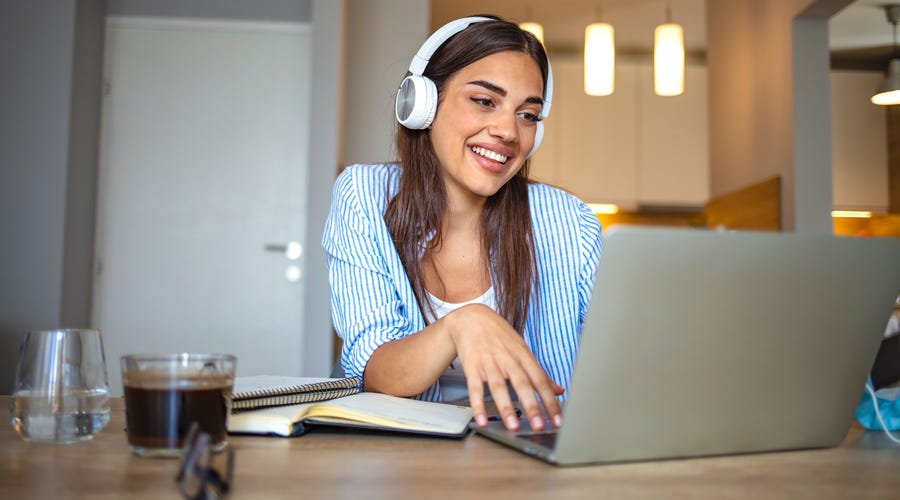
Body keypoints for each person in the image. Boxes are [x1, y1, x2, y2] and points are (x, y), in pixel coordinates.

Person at [322, 16, 603, 433]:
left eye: (527, 115)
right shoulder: (364, 196)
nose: (508, 131)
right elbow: (374, 369)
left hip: (532, 449)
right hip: (402, 453)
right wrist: (462, 323)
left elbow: (620, 364)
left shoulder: (570, 222)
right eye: (485, 101)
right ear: (423, 105)